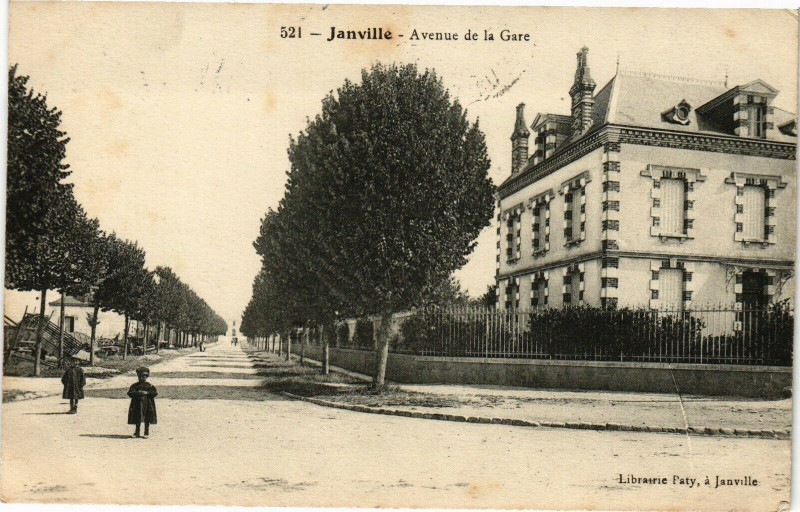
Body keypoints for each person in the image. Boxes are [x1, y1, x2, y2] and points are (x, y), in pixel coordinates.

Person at [127, 367, 158, 438]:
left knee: (147, 418)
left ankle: (146, 432)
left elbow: (155, 393)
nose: (142, 378)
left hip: (148, 405)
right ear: (138, 377)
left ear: (146, 377)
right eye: (140, 377)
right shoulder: (135, 385)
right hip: (137, 405)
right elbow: (130, 393)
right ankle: (137, 432)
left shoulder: (149, 386)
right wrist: (138, 393)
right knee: (137, 418)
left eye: (144, 377)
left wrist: (147, 393)